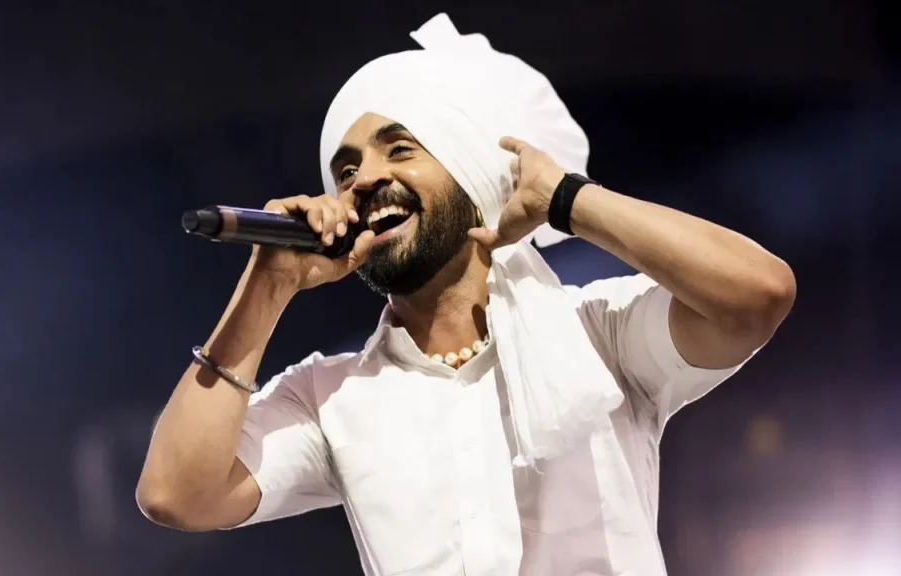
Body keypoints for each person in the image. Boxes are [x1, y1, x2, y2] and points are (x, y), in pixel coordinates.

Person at [136, 14, 795, 576]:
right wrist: (267, 285)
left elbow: (759, 294)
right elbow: (175, 495)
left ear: (473, 173)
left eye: (400, 149)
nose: (363, 180)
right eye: (346, 169)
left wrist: (567, 199)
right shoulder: (330, 397)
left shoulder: (602, 335)